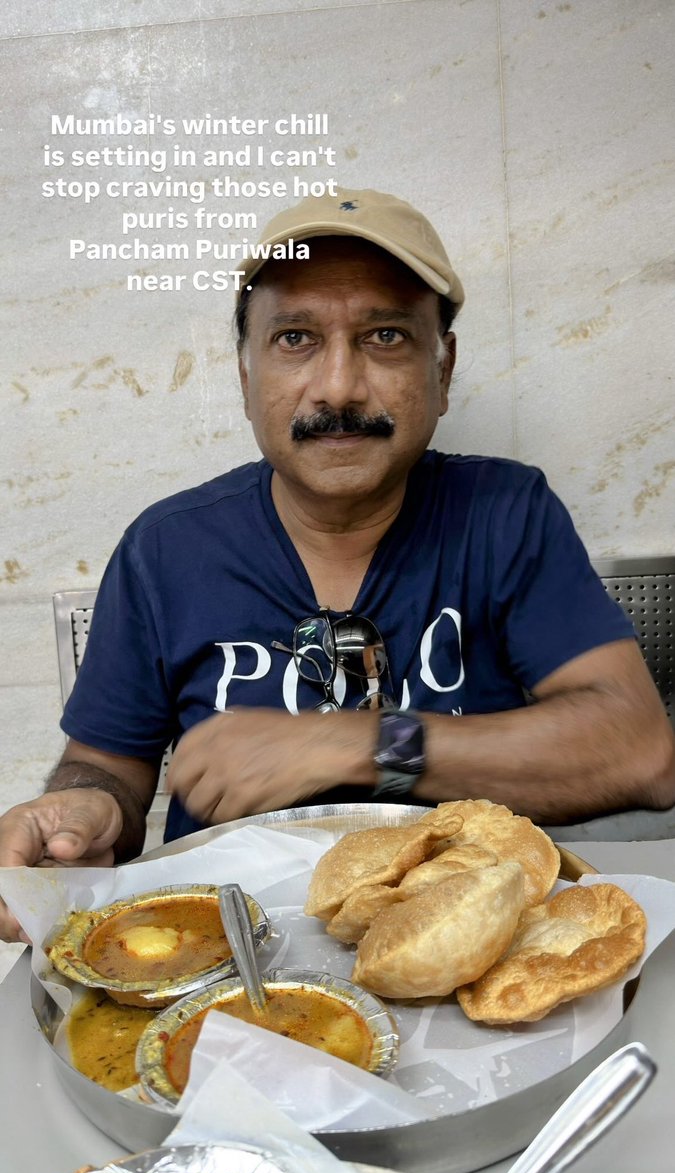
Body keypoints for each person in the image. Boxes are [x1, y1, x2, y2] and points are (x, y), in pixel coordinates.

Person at [1, 187, 674, 942]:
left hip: (465, 948)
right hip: (224, 956)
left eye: (385, 336)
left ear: (442, 370)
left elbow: (640, 753)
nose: (338, 388)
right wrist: (82, 813)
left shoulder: (504, 513)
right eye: (295, 338)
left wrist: (354, 743)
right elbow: (107, 771)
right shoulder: (167, 548)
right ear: (246, 375)